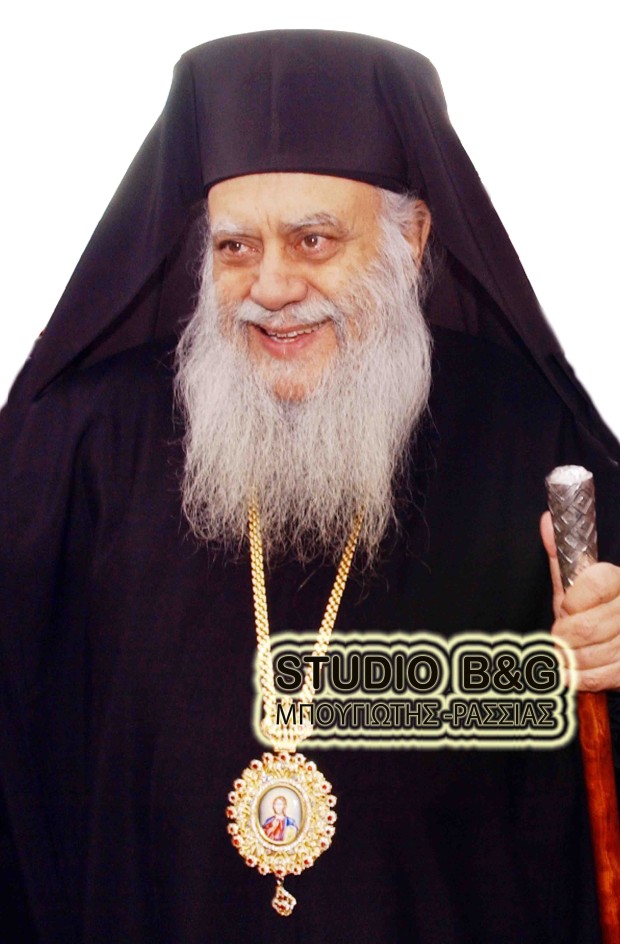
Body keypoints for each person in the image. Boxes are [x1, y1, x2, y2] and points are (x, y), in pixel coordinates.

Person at [1, 29, 620, 944]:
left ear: (413, 240)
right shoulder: (82, 445)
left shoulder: (530, 435)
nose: (273, 286)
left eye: (314, 239)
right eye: (234, 247)